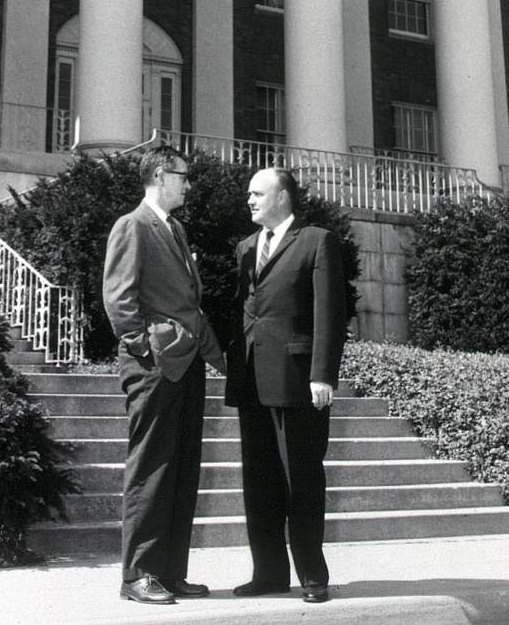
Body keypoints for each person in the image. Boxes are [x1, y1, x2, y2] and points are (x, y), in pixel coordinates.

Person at [102, 145, 226, 606]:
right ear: (159, 174)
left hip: (186, 365)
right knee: (152, 469)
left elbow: (190, 309)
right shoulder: (132, 225)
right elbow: (119, 299)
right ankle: (137, 575)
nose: (188, 184)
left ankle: (169, 573)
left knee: (182, 470)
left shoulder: (175, 228)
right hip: (155, 368)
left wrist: (222, 362)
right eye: (182, 176)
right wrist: (146, 347)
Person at [225, 167, 347, 604]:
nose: (250, 200)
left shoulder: (316, 241)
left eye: (258, 193)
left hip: (298, 382)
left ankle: (313, 576)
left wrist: (322, 374)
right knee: (259, 482)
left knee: (302, 480)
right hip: (252, 380)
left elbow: (328, 313)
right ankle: (269, 573)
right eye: (249, 194)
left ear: (282, 197)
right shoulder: (245, 248)